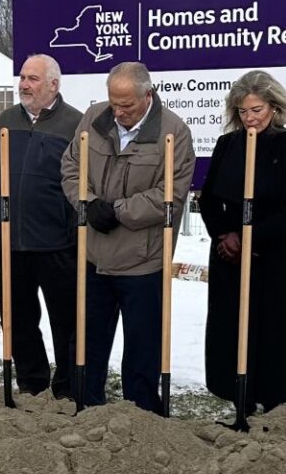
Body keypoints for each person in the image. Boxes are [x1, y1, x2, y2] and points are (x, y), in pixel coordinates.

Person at [62, 61, 194, 413]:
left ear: (147, 95)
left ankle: (141, 419)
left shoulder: (173, 133)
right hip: (94, 255)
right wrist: (87, 203)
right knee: (87, 344)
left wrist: (117, 210)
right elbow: (71, 167)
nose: (118, 112)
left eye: (127, 105)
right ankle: (86, 408)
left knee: (142, 348)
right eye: (114, 103)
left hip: (143, 261)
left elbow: (171, 194)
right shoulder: (94, 118)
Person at [199, 70, 286, 417]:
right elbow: (207, 198)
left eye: (257, 110)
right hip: (229, 255)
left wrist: (250, 237)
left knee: (274, 331)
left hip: (274, 257)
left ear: (275, 108)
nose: (250, 119)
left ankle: (275, 407)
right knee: (231, 330)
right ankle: (240, 401)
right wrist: (226, 236)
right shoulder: (227, 145)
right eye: (244, 112)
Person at [0, 53, 82, 398]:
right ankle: (31, 383)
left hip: (57, 244)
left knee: (66, 321)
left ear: (54, 84)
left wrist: (73, 233)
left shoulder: (75, 125)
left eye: (33, 79)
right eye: (22, 78)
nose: (24, 85)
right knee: (19, 319)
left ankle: (68, 386)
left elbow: (83, 185)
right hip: (9, 244)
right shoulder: (3, 123)